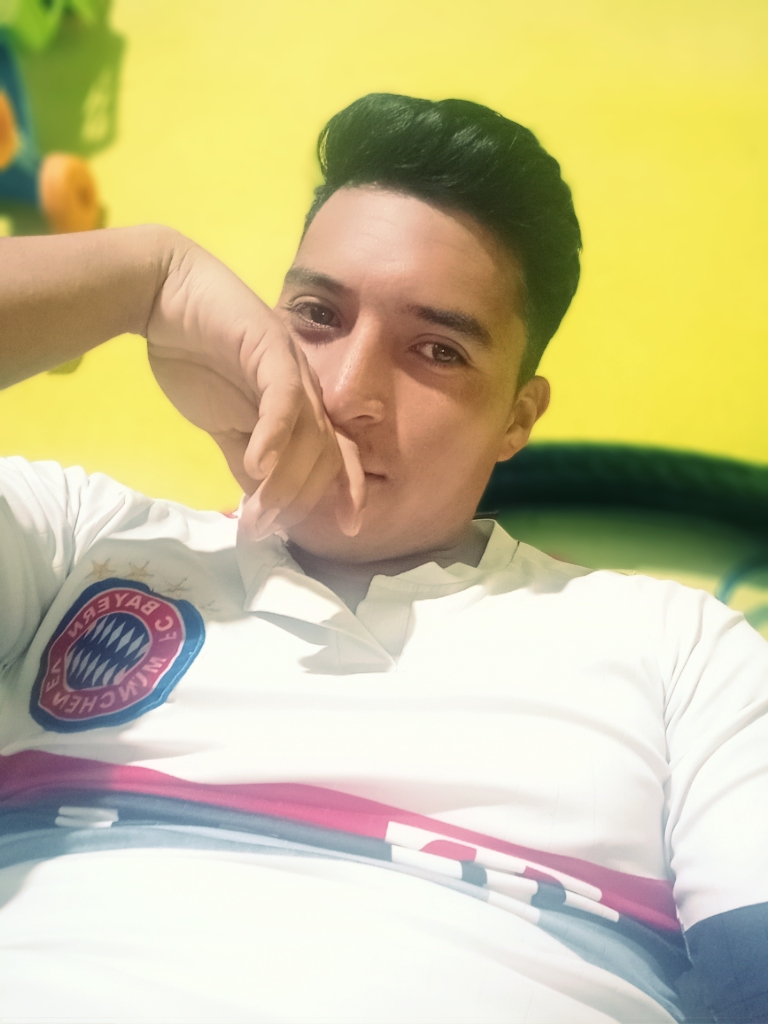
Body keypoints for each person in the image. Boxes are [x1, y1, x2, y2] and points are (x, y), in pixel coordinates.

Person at [0, 93, 766, 1023]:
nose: (347, 392)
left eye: (436, 350)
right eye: (317, 315)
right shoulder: (74, 543)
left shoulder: (684, 653)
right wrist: (142, 277)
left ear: (519, 417)